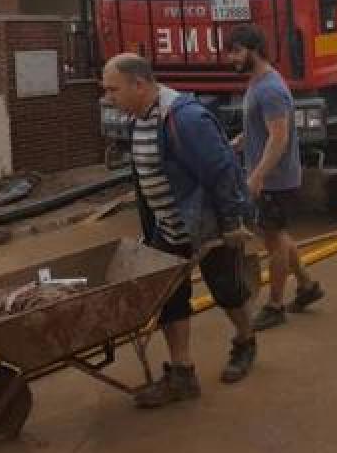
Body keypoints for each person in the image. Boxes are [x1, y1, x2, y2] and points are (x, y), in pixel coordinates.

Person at [101, 53, 256, 408]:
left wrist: (232, 224)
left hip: (206, 225)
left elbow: (224, 172)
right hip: (168, 228)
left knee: (226, 291)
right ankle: (183, 374)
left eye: (114, 89)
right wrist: (150, 228)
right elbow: (147, 181)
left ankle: (246, 340)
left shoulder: (185, 119)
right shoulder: (137, 119)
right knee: (170, 298)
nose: (109, 98)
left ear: (139, 85)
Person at [225, 26, 323, 332]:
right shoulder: (258, 82)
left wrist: (257, 176)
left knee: (274, 241)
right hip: (269, 177)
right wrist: (243, 139)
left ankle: (275, 305)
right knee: (277, 235)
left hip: (276, 180)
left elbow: (278, 138)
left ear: (254, 49)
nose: (232, 58)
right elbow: (267, 128)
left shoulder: (270, 89)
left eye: (237, 51)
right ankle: (307, 285)